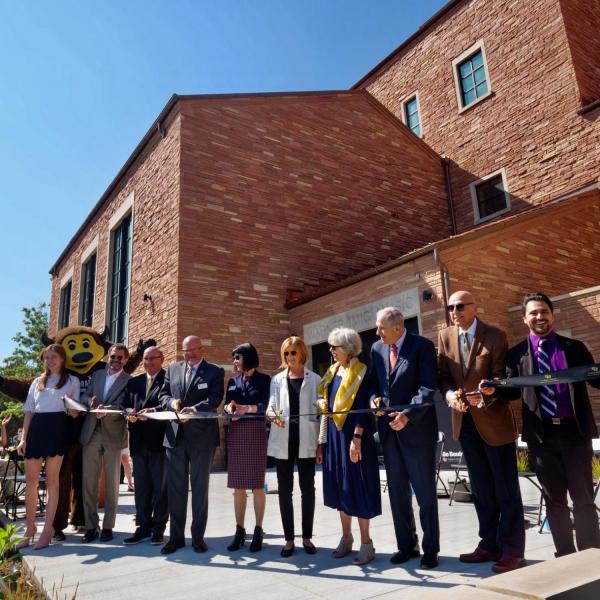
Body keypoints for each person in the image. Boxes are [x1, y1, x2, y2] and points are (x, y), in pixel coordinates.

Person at [504, 291, 600, 557]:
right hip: (541, 436)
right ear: (525, 319)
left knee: (583, 500)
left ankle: (592, 557)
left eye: (544, 311)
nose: (539, 317)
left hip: (575, 433)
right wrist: (490, 391)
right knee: (554, 501)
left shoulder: (574, 348)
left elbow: (594, 379)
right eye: (533, 313)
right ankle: (565, 557)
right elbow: (511, 392)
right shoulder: (516, 355)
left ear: (552, 315)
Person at [438, 290, 526, 574]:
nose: (455, 311)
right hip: (465, 424)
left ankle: (513, 550)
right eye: (450, 307)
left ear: (475, 307)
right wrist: (450, 394)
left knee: (506, 490)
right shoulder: (445, 337)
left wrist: (488, 393)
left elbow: (503, 378)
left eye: (460, 306)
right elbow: (443, 378)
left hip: (494, 423)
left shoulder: (496, 335)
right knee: (481, 490)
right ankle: (489, 544)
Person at [369, 307, 440, 569]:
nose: (377, 333)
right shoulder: (377, 349)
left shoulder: (422, 346)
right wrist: (373, 399)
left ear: (398, 328)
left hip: (417, 431)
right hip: (388, 432)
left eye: (380, 328)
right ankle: (407, 546)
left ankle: (431, 550)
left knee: (424, 495)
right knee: (397, 493)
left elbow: (427, 387)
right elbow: (374, 383)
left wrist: (408, 415)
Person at [319, 327, 380, 565]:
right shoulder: (332, 371)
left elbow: (363, 412)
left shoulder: (361, 372)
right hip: (335, 435)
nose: (331, 351)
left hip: (355, 436)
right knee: (339, 487)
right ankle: (346, 538)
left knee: (358, 486)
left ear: (347, 349)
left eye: (334, 347)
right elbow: (326, 399)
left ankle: (367, 543)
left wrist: (356, 439)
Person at [159, 335, 224, 555]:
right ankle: (176, 538)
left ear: (202, 349)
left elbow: (215, 398)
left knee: (199, 488)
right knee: (176, 489)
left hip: (202, 439)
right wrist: (172, 403)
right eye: (186, 351)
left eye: (194, 350)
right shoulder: (172, 369)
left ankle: (198, 538)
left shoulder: (215, 371)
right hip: (175, 436)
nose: (190, 355)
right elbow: (163, 394)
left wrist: (193, 411)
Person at [16, 344, 79, 550]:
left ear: (62, 359)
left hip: (57, 429)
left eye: (54, 357)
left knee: (52, 481)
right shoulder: (37, 381)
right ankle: (30, 529)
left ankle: (48, 530)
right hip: (37, 430)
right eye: (47, 358)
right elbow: (28, 412)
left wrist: (69, 407)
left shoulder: (72, 381)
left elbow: (75, 413)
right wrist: (23, 439)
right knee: (31, 481)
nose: (50, 361)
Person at [266, 336, 322, 557]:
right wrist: (271, 414)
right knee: (284, 492)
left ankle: (306, 537)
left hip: (307, 440)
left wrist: (321, 445)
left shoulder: (316, 379)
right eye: (286, 353)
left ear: (302, 353)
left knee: (308, 491)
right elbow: (271, 405)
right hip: (283, 440)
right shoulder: (277, 380)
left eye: (293, 352)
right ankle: (289, 540)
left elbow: (321, 415)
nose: (290, 357)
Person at [79, 343, 131, 543]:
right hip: (91, 431)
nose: (115, 361)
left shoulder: (129, 380)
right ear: (108, 358)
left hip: (113, 433)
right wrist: (91, 402)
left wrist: (106, 410)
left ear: (125, 360)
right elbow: (84, 395)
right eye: (113, 357)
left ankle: (108, 527)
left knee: (112, 484)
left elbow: (124, 405)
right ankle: (91, 527)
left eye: (120, 357)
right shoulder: (98, 375)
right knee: (89, 483)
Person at [223, 343, 270, 553]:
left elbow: (266, 406)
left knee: (257, 484)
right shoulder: (232, 381)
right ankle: (239, 530)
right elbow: (227, 404)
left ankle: (258, 530)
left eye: (237, 357)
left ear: (248, 358)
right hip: (236, 433)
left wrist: (247, 409)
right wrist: (228, 408)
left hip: (255, 432)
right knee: (238, 486)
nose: (234, 361)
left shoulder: (264, 380)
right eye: (233, 357)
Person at [121, 346, 168, 546]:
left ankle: (158, 528)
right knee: (141, 488)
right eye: (146, 359)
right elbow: (124, 405)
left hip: (158, 441)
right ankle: (143, 526)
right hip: (138, 442)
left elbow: (167, 405)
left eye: (152, 358)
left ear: (162, 359)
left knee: (160, 488)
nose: (148, 362)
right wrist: (129, 413)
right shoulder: (134, 382)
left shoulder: (168, 380)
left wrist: (152, 411)